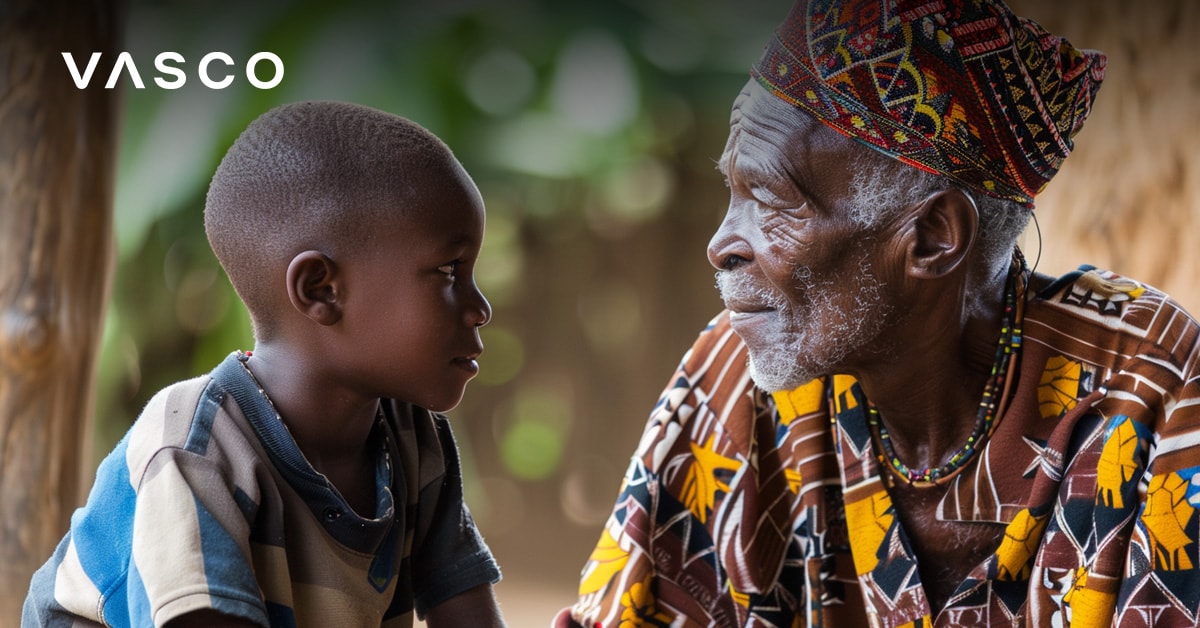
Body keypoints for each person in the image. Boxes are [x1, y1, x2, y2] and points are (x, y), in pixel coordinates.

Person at [557, 0, 1200, 626]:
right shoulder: (741, 378)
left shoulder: (1152, 390)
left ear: (932, 239)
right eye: (733, 192)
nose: (720, 245)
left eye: (772, 200)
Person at [23, 101, 506, 627]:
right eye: (449, 270)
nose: (480, 308)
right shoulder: (195, 449)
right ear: (321, 290)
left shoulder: (415, 439)